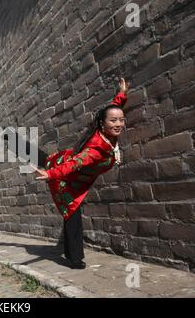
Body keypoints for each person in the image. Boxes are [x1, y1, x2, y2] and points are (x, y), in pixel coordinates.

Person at [32, 78, 129, 269]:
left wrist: (121, 94)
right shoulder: (95, 150)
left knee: (41, 158)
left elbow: (113, 107)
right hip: (65, 179)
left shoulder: (106, 131)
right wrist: (51, 175)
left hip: (73, 175)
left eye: (121, 120)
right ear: (103, 124)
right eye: (114, 121)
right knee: (72, 215)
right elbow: (74, 164)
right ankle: (75, 259)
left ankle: (12, 141)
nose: (118, 124)